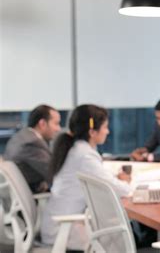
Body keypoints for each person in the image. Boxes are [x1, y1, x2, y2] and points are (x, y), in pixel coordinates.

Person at [41, 104, 131, 250]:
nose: (108, 131)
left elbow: (102, 179)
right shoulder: (85, 155)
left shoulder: (76, 149)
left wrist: (116, 179)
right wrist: (126, 182)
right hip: (65, 228)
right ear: (92, 131)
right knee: (121, 234)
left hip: (60, 224)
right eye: (105, 127)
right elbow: (119, 190)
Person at [3, 104, 61, 193]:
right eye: (56, 123)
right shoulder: (31, 143)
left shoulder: (22, 136)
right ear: (42, 124)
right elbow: (54, 173)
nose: (59, 129)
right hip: (32, 194)